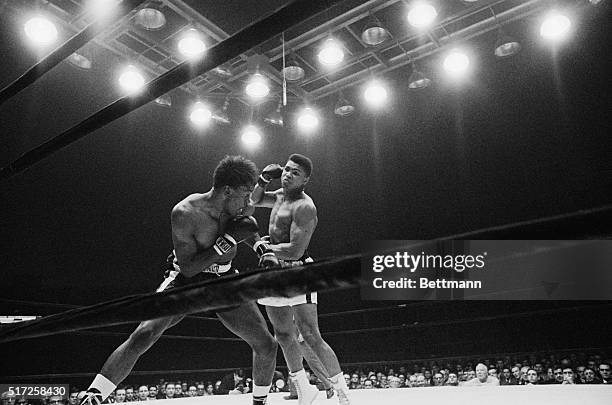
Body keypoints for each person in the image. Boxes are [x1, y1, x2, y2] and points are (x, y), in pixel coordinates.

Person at [79, 156, 279, 405]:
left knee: (267, 345)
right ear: (227, 190)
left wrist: (262, 248)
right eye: (245, 193)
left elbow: (246, 228)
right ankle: (93, 396)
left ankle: (260, 403)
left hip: (224, 278)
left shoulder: (239, 206)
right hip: (185, 280)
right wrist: (225, 243)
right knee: (145, 333)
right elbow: (190, 267)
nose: (248, 201)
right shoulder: (185, 213)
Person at [251, 154, 350, 405]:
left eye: (295, 173)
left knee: (310, 334)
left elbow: (295, 249)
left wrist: (265, 247)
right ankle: (303, 389)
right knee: (283, 334)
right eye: (287, 169)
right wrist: (263, 179)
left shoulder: (305, 207)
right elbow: (254, 201)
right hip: (272, 273)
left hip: (297, 271)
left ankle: (342, 393)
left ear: (305, 180)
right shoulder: (279, 196)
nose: (288, 175)